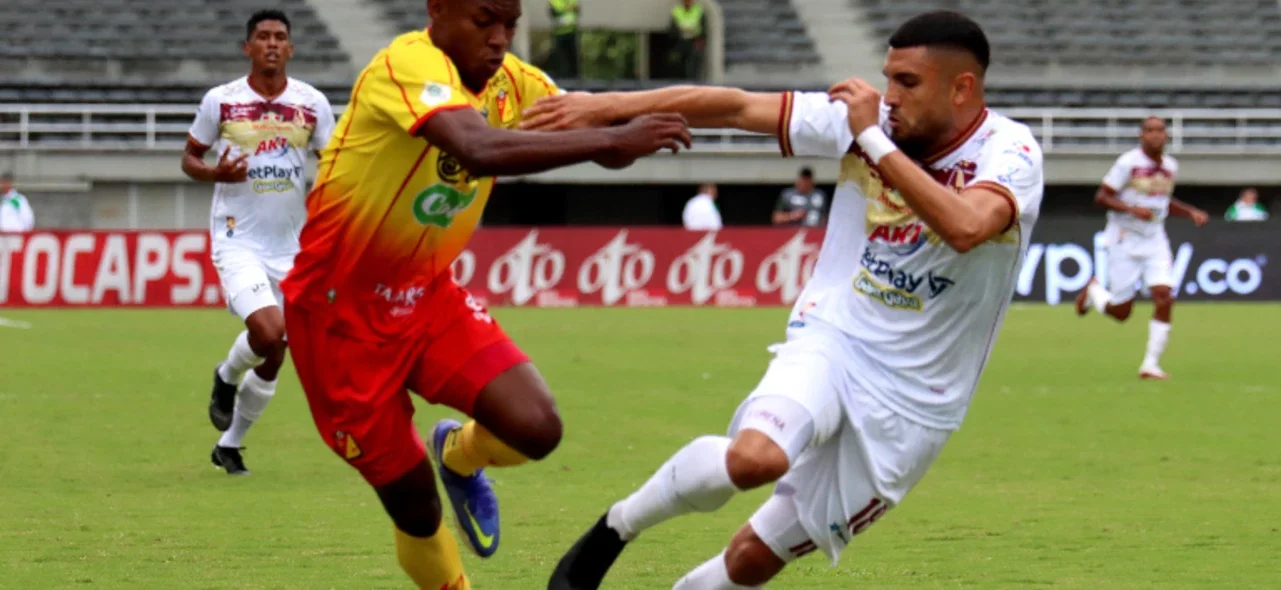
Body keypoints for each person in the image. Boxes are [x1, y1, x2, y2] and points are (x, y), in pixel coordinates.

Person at [524, 10, 1044, 589]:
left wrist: (869, 136)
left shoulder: (1010, 152)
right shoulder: (866, 121)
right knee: (755, 459)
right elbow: (733, 106)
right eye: (888, 77)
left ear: (962, 87)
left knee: (751, 559)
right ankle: (614, 530)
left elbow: (968, 228)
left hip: (916, 401)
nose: (889, 96)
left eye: (908, 82)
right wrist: (604, 107)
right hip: (834, 338)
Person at [278, 0, 690, 587]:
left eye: (511, 25)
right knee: (417, 508)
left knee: (537, 428)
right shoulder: (407, 63)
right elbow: (477, 148)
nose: (499, 39)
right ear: (438, 10)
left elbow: (592, 129)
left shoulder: (515, 84)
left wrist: (624, 132)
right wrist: (608, 142)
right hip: (337, 319)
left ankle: (459, 454)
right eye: (483, 21)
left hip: (426, 296)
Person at [181, 9, 335, 475]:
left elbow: (332, 167)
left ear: (290, 48)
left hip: (292, 246)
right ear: (248, 48)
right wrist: (214, 172)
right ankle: (227, 375)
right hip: (237, 240)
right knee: (269, 333)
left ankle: (229, 445)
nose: (272, 43)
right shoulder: (222, 101)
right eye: (263, 36)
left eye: (280, 37)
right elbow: (189, 158)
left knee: (279, 350)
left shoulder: (312, 103)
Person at [1073, 117, 1208, 380]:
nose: (1155, 135)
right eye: (1150, 131)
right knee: (1121, 313)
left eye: (1160, 131)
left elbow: (1163, 202)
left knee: (1164, 296)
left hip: (1155, 238)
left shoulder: (1170, 166)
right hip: (1124, 239)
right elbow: (1101, 196)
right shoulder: (1128, 163)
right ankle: (1094, 291)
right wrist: (1131, 209)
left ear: (1166, 136)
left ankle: (1150, 364)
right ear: (1141, 136)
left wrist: (1191, 212)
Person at [669, 0, 707, 80]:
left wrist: (700, 39)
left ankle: (693, 80)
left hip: (695, 40)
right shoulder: (677, 11)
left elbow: (703, 28)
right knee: (678, 59)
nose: (687, 2)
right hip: (680, 40)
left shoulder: (698, 10)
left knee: (694, 61)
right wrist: (681, 31)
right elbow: (672, 28)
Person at [547, 0, 580, 78]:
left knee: (573, 57)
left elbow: (577, 10)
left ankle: (575, 78)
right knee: (561, 58)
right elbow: (553, 14)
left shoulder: (573, 1)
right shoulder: (554, 1)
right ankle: (563, 77)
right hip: (559, 33)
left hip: (571, 32)